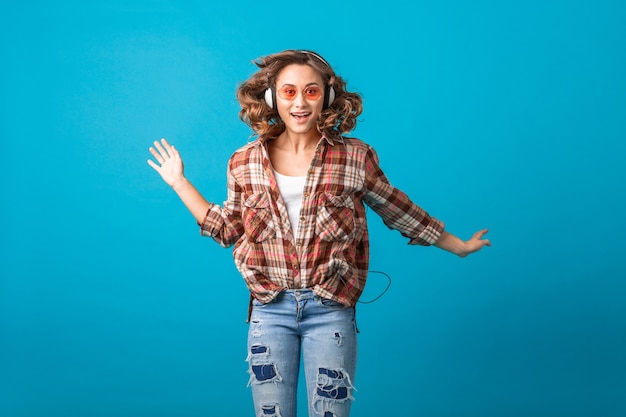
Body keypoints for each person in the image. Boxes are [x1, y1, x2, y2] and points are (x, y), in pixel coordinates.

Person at [147, 49, 490, 417]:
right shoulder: (243, 161)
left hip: (331, 308)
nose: (299, 102)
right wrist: (179, 183)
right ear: (271, 97)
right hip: (269, 309)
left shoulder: (354, 158)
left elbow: (399, 210)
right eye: (289, 92)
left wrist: (458, 246)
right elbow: (228, 229)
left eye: (311, 91)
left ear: (326, 96)